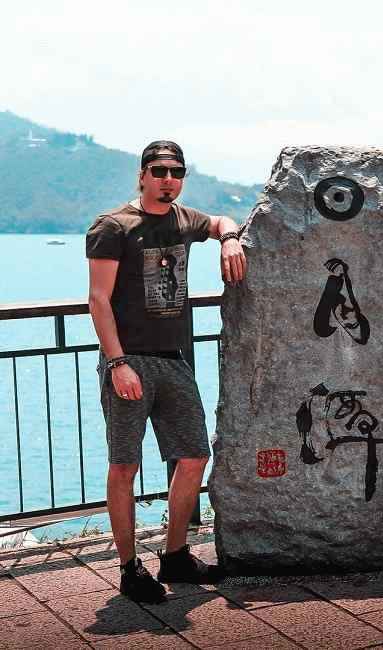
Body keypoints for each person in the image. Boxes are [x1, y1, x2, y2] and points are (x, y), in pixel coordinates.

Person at [86, 140, 247, 603]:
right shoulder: (113, 226)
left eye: (176, 172)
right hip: (129, 360)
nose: (168, 179)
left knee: (194, 456)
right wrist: (117, 363)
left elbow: (219, 221)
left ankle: (175, 554)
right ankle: (128, 567)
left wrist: (230, 238)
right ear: (142, 175)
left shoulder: (183, 219)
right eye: (159, 171)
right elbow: (98, 300)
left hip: (173, 359)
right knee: (125, 465)